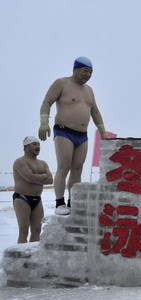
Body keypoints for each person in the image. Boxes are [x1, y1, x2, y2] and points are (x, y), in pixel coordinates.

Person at [38, 56, 109, 215]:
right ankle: (59, 203)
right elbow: (47, 101)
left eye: (91, 72)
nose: (88, 75)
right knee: (64, 166)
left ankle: (72, 202)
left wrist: (103, 131)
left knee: (77, 169)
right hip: (64, 131)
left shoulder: (89, 90)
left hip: (82, 135)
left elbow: (95, 111)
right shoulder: (61, 83)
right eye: (85, 71)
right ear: (75, 69)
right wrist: (44, 121)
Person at [12, 136, 53, 243]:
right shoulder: (20, 162)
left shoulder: (43, 163)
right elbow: (28, 177)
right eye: (34, 144)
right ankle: (20, 258)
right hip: (22, 198)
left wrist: (36, 177)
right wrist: (43, 175)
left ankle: (32, 256)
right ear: (26, 147)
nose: (38, 146)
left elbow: (50, 180)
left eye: (38, 144)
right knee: (24, 231)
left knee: (37, 230)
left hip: (37, 199)